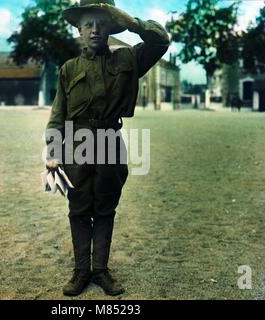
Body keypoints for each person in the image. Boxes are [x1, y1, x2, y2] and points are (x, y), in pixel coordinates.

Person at [45, 0, 170, 296]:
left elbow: (161, 41)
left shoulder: (128, 59)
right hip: (76, 143)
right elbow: (57, 114)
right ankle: (81, 271)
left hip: (110, 142)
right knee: (78, 208)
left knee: (105, 208)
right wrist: (52, 150)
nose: (95, 30)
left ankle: (100, 270)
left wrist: (133, 23)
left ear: (112, 26)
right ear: (78, 30)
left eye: (102, 23)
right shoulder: (68, 69)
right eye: (88, 23)